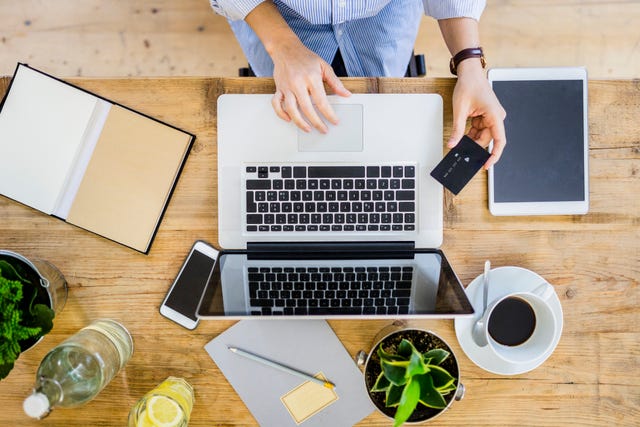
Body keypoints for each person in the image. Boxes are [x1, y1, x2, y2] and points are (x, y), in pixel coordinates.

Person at [210, 0, 506, 169]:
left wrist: (469, 62)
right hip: (274, 12)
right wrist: (282, 46)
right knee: (284, 115)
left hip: (385, 12)